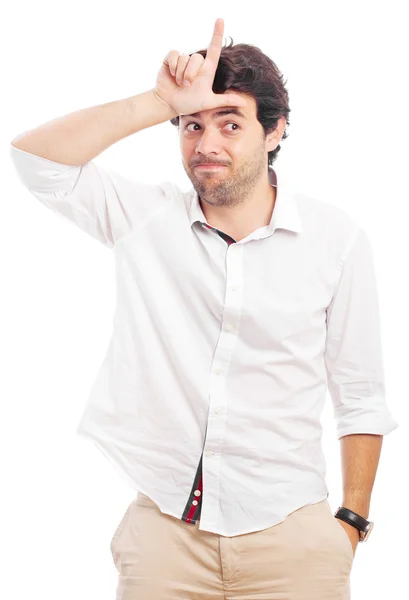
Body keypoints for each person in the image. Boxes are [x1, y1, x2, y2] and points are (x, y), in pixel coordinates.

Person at [10, 17, 399, 600]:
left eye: (230, 123)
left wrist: (350, 524)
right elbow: (36, 161)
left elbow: (360, 394)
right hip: (167, 535)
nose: (206, 144)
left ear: (275, 131)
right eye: (192, 125)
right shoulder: (145, 217)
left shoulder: (335, 240)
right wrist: (158, 100)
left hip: (292, 535)